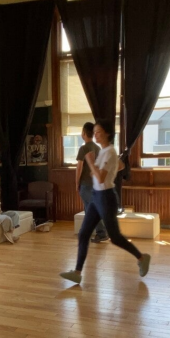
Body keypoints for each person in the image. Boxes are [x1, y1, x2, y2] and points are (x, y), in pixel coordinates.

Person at [60, 120, 150, 284]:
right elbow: (119, 166)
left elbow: (101, 178)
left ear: (107, 133)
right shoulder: (103, 151)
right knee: (84, 233)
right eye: (94, 131)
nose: (95, 134)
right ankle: (77, 272)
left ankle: (142, 258)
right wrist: (105, 169)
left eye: (99, 132)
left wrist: (90, 163)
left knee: (115, 237)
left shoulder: (109, 152)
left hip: (106, 198)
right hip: (96, 196)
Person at [76, 122, 109, 243]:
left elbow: (79, 167)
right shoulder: (98, 148)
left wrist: (77, 183)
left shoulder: (84, 148)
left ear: (84, 133)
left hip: (86, 184)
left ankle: (102, 233)